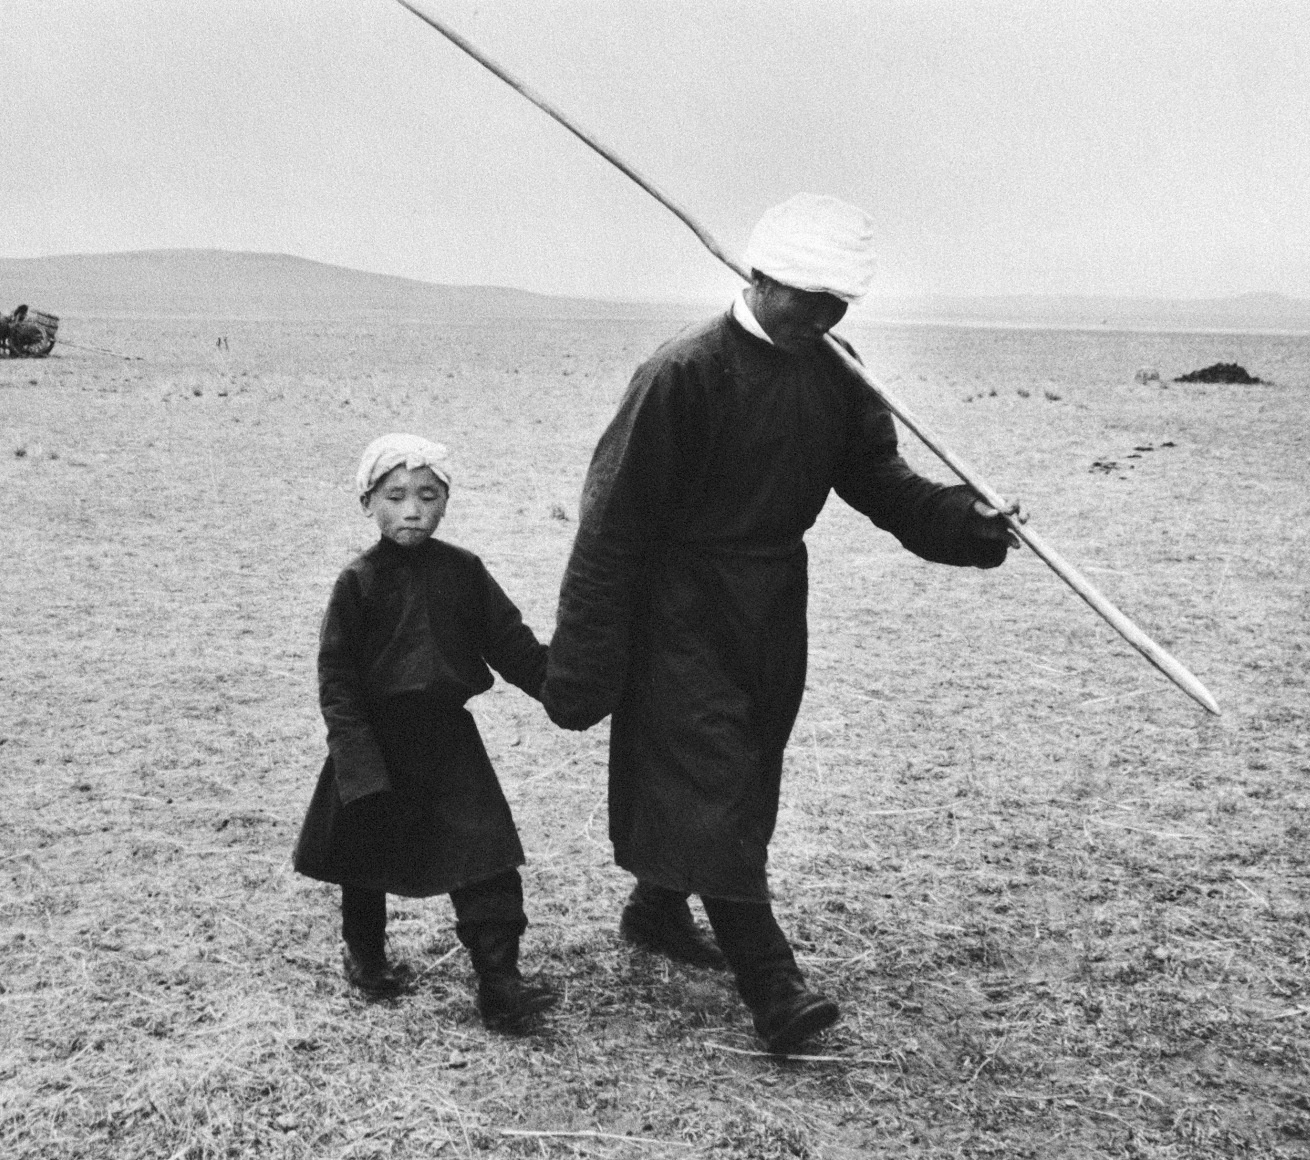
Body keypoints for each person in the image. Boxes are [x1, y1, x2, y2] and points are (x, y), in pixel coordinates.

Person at [540, 194, 1021, 1055]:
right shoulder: (680, 373)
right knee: (711, 772)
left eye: (842, 301)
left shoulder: (838, 369)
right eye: (811, 295)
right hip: (676, 603)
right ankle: (773, 987)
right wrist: (582, 660)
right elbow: (610, 523)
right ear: (758, 276)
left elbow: (878, 480)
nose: (827, 314)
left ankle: (654, 908)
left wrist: (964, 522)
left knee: (747, 765)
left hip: (768, 602)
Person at [293, 433, 558, 1032]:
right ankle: (366, 958)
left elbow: (511, 645)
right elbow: (337, 680)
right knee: (364, 859)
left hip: (448, 740)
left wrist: (562, 688)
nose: (412, 509)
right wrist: (356, 761)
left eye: (428, 495)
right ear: (367, 502)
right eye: (395, 495)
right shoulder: (356, 583)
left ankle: (500, 981)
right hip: (375, 742)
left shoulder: (463, 572)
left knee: (485, 853)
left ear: (446, 502)